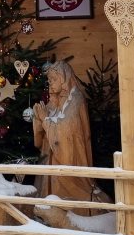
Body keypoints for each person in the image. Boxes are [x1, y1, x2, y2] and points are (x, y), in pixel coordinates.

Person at [31, 60, 106, 205]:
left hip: (70, 161)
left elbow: (66, 128)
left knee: (69, 195)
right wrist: (39, 119)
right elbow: (48, 121)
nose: (50, 83)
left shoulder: (76, 99)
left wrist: (45, 119)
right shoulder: (57, 99)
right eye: (49, 80)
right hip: (51, 163)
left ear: (64, 78)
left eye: (53, 79)